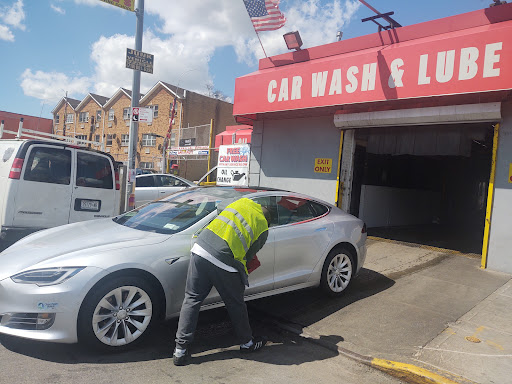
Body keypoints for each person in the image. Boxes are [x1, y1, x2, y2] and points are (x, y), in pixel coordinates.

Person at [173, 197, 271, 366]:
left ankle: (180, 351)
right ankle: (247, 344)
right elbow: (249, 256)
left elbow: (220, 209)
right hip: (225, 260)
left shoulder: (243, 202)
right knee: (236, 304)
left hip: (201, 248)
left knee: (192, 299)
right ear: (268, 221)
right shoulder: (263, 227)